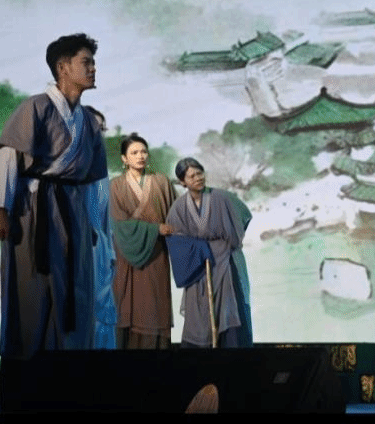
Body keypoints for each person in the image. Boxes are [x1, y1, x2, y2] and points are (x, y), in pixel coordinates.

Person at [0, 33, 108, 358]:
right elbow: (7, 155)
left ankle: (69, 369)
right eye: (86, 62)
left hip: (74, 212)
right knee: (33, 286)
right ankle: (26, 373)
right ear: (63, 67)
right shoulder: (36, 107)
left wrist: (92, 224)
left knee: (76, 287)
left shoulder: (88, 121)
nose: (93, 68)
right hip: (35, 210)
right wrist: (0, 209)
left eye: (93, 62)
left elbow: (91, 180)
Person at [166, 157, 253, 348]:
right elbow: (176, 240)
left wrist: (225, 243)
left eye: (200, 173)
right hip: (198, 267)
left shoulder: (223, 197)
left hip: (226, 263)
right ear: (183, 182)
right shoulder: (178, 207)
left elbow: (244, 217)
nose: (198, 178)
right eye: (192, 176)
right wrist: (200, 248)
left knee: (230, 309)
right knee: (199, 316)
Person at [109, 133, 177, 349]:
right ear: (124, 158)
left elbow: (176, 217)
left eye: (144, 151)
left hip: (156, 255)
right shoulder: (115, 186)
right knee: (127, 306)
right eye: (134, 152)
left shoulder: (161, 182)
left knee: (155, 307)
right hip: (126, 254)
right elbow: (117, 224)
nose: (140, 156)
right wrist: (155, 229)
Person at [85, 105, 117, 349]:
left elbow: (105, 218)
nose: (99, 133)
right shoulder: (69, 167)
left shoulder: (102, 170)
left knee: (104, 311)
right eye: (94, 128)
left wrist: (110, 252)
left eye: (102, 129)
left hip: (101, 250)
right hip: (77, 249)